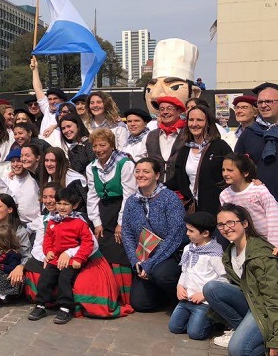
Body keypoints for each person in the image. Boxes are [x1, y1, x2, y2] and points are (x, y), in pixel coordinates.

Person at [203, 204, 278, 354]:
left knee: (237, 350)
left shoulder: (260, 255)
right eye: (221, 224)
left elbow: (273, 299)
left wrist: (275, 340)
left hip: (264, 307)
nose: (226, 228)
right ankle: (246, 333)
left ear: (245, 223)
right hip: (251, 301)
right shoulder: (229, 252)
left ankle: (262, 339)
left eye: (231, 222)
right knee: (211, 288)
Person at [121, 158, 188, 312]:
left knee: (161, 274)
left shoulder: (169, 198)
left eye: (146, 171)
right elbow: (127, 233)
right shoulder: (132, 201)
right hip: (145, 254)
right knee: (140, 304)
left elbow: (176, 234)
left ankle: (180, 301)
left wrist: (150, 264)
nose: (140, 175)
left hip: (170, 254)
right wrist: (136, 261)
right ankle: (162, 295)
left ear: (157, 175)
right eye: (137, 171)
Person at [27, 187, 95, 324]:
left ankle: (65, 308)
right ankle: (40, 305)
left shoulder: (80, 223)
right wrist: (49, 251)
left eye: (66, 204)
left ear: (74, 206)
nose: (62, 207)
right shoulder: (53, 222)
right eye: (59, 203)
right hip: (55, 259)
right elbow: (48, 240)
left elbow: (88, 243)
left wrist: (78, 258)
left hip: (70, 261)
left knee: (64, 279)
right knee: (45, 278)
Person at [86, 128, 137, 294]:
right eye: (95, 145)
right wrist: (96, 222)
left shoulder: (124, 164)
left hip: (122, 208)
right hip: (104, 211)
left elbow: (129, 195)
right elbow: (93, 196)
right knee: (103, 249)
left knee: (119, 249)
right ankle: (108, 291)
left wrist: (121, 223)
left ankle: (124, 293)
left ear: (111, 145)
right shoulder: (91, 168)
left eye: (103, 144)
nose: (98, 149)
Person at [169, 211, 226, 341]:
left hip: (204, 302)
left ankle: (213, 320)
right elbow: (185, 271)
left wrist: (204, 294)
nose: (187, 233)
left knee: (196, 334)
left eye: (191, 231)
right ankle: (194, 321)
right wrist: (179, 286)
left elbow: (224, 278)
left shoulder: (215, 253)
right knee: (174, 327)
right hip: (186, 299)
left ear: (205, 233)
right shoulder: (189, 248)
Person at [175, 105, 232, 215]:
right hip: (194, 209)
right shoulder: (184, 150)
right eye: (191, 120)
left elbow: (234, 170)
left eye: (199, 120)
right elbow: (177, 179)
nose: (194, 124)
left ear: (208, 123)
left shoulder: (220, 146)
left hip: (217, 208)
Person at [219, 153, 278, 245]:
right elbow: (228, 221)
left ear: (245, 173)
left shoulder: (259, 190)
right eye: (223, 170)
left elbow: (273, 215)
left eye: (230, 170)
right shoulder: (225, 195)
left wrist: (274, 244)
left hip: (267, 241)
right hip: (245, 244)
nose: (225, 174)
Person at [236, 82, 278, 197]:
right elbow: (237, 166)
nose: (264, 105)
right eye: (260, 102)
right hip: (258, 202)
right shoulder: (249, 133)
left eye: (269, 101)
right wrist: (249, 182)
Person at [145, 96, 188, 186]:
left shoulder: (187, 134)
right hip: (156, 188)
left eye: (169, 109)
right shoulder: (152, 135)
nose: (165, 112)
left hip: (180, 188)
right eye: (162, 109)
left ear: (179, 111)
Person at [30, 56, 66, 147]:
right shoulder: (46, 109)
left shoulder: (67, 111)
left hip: (61, 152)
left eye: (55, 99)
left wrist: (54, 126)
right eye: (49, 99)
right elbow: (37, 88)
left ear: (62, 100)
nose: (52, 101)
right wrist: (35, 69)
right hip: (44, 151)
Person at [5, 148, 40, 224]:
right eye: (12, 161)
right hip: (15, 223)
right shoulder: (8, 180)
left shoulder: (35, 179)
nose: (15, 164)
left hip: (35, 224)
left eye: (18, 161)